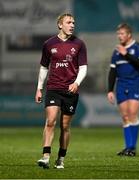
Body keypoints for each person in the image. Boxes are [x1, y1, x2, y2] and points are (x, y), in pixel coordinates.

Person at [35, 13, 87, 169]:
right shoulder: (49, 44)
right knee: (50, 121)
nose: (72, 25)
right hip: (53, 88)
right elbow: (44, 67)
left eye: (73, 22)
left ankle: (61, 159)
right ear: (60, 25)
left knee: (65, 126)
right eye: (68, 22)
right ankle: (45, 156)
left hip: (70, 90)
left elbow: (83, 68)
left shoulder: (79, 44)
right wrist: (39, 88)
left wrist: (77, 82)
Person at [107, 23, 139, 156]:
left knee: (132, 113)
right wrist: (110, 90)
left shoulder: (138, 47)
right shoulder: (116, 52)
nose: (119, 36)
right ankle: (128, 148)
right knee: (125, 116)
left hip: (136, 83)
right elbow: (112, 71)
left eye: (122, 33)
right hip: (121, 85)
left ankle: (132, 147)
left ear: (129, 35)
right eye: (118, 34)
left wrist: (126, 55)